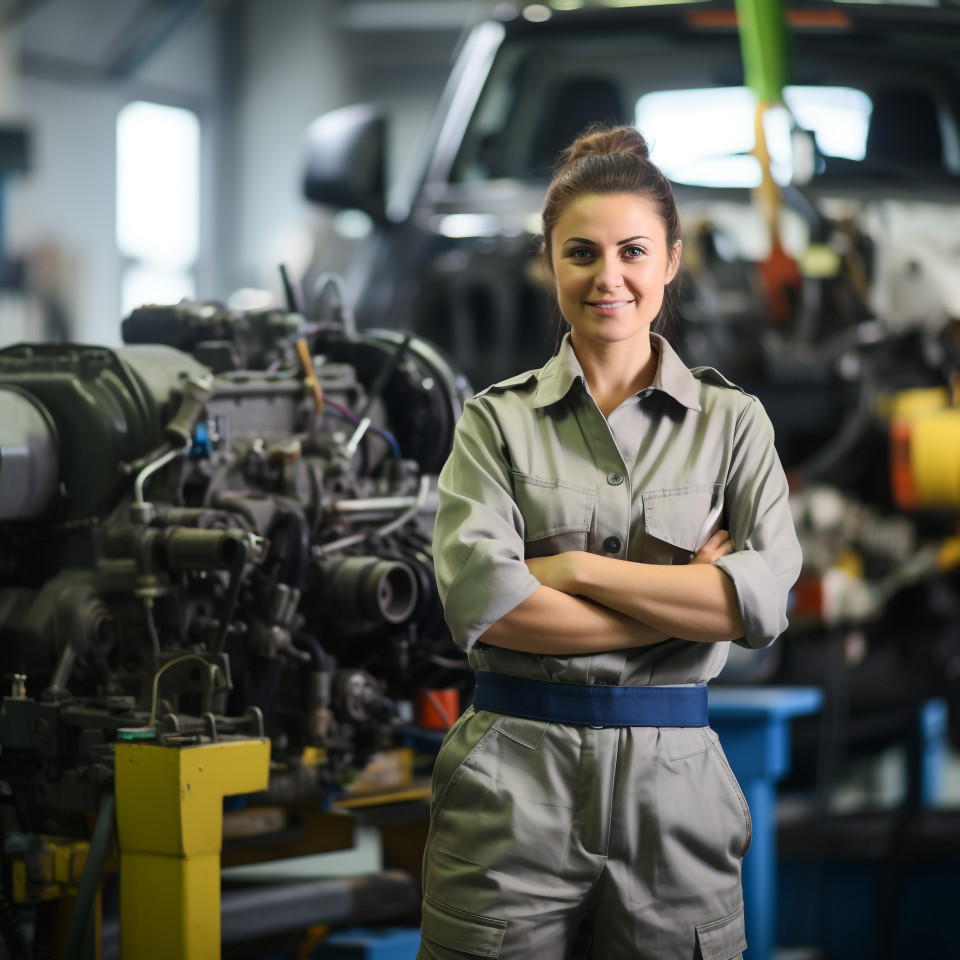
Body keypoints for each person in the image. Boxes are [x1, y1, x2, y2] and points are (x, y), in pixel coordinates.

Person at [418, 126, 802, 960]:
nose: (609, 277)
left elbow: (763, 601)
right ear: (547, 264)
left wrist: (577, 571)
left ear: (670, 262)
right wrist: (694, 605)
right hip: (512, 788)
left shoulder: (732, 425)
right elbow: (486, 607)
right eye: (581, 254)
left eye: (633, 251)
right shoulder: (495, 423)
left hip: (679, 798)